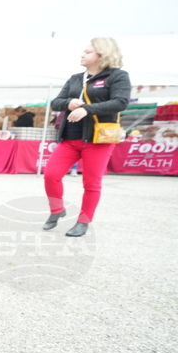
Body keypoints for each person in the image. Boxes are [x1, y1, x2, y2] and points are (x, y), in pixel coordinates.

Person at [44, 38, 132, 237]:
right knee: (51, 174)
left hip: (98, 139)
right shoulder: (76, 78)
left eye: (87, 52)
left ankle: (84, 221)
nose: (82, 55)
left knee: (91, 183)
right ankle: (57, 210)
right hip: (70, 138)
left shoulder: (117, 76)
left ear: (102, 54)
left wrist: (87, 109)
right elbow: (56, 103)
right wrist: (69, 102)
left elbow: (120, 102)